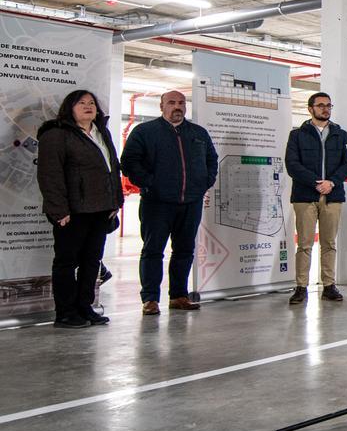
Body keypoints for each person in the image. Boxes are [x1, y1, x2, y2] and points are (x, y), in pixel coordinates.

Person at [121, 90, 217, 315]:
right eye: (172, 102)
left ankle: (178, 296)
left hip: (190, 202)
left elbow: (211, 160)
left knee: (184, 250)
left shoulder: (198, 133)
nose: (178, 106)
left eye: (181, 103)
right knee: (153, 250)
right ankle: (150, 299)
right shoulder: (145, 132)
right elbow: (129, 162)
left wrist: (204, 182)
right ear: (161, 106)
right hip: (157, 203)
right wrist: (150, 183)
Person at [36, 90, 122, 328]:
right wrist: (58, 210)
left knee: (91, 261)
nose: (88, 106)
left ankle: (85, 307)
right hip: (72, 212)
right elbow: (49, 175)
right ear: (69, 108)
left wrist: (116, 202)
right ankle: (65, 312)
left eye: (92, 103)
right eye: (81, 103)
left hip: (100, 210)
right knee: (66, 262)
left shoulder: (101, 133)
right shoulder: (57, 135)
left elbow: (113, 169)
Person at [283, 92, 347, 304]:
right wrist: (316, 182)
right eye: (321, 105)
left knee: (329, 243)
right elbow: (292, 164)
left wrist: (331, 182)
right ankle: (301, 287)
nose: (325, 109)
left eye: (329, 105)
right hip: (305, 196)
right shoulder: (297, 135)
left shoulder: (341, 135)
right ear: (310, 108)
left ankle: (329, 285)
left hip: (333, 196)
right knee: (304, 244)